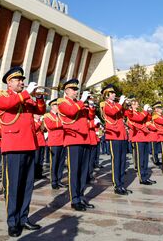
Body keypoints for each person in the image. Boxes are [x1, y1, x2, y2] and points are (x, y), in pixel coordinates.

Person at [0, 66, 45, 237]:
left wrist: (37, 97)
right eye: (18, 80)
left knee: (27, 186)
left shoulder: (26, 97)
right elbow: (7, 105)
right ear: (9, 82)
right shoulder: (3, 96)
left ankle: (24, 218)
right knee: (14, 186)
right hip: (14, 145)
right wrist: (26, 94)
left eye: (22, 80)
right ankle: (13, 221)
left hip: (29, 144)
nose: (22, 82)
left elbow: (39, 111)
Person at [59, 79, 98, 212]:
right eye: (74, 89)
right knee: (74, 171)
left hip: (84, 139)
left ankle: (80, 196)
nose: (76, 92)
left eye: (77, 89)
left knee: (82, 172)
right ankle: (74, 199)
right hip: (73, 140)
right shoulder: (62, 103)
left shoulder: (79, 103)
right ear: (66, 91)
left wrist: (91, 106)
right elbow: (70, 112)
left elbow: (90, 116)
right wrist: (82, 101)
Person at [100, 85, 130, 195]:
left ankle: (121, 184)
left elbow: (126, 115)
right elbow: (112, 112)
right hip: (113, 135)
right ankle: (117, 185)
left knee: (122, 161)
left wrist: (127, 106)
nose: (114, 95)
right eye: (112, 93)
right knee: (116, 161)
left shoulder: (117, 105)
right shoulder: (105, 105)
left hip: (121, 135)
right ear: (106, 95)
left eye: (114, 93)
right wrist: (121, 103)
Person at [126, 97, 157, 185]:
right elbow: (139, 119)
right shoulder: (131, 114)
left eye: (136, 103)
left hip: (144, 137)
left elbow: (147, 120)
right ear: (131, 105)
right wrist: (144, 111)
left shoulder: (140, 113)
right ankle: (142, 178)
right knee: (140, 159)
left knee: (145, 159)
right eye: (135, 103)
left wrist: (149, 112)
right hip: (138, 137)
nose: (137, 104)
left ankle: (145, 176)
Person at [43, 99, 66, 189]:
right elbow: (50, 126)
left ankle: (59, 180)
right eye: (56, 106)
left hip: (63, 141)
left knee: (61, 163)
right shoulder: (47, 115)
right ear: (52, 106)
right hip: (54, 141)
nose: (58, 107)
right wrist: (62, 123)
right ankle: (54, 181)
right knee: (54, 163)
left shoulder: (61, 115)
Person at [34, 114, 47, 179]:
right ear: (34, 115)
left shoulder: (41, 122)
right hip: (36, 143)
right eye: (38, 115)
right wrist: (40, 122)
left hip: (42, 142)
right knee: (36, 160)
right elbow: (35, 129)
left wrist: (43, 124)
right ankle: (34, 174)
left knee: (41, 160)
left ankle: (39, 174)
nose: (39, 115)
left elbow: (45, 130)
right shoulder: (33, 122)